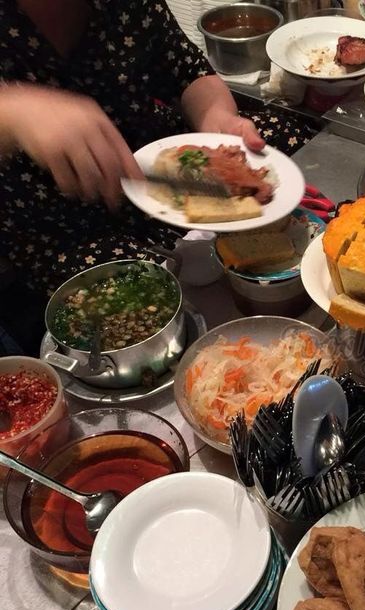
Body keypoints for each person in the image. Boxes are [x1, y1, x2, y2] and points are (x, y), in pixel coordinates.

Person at [0, 0, 319, 353]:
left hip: (158, 163)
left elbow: (187, 71)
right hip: (63, 222)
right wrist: (13, 112)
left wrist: (217, 122)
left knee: (290, 138)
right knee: (144, 299)